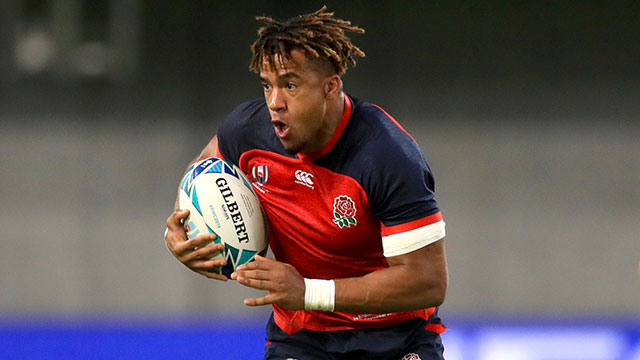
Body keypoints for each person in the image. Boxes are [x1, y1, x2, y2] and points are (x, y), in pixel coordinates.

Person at [165, 6, 449, 360]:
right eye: (267, 85)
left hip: (395, 336)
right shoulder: (249, 130)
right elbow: (203, 168)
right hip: (303, 336)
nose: (274, 102)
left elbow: (429, 282)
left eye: (290, 85)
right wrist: (185, 229)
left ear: (331, 87)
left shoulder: (387, 157)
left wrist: (308, 291)